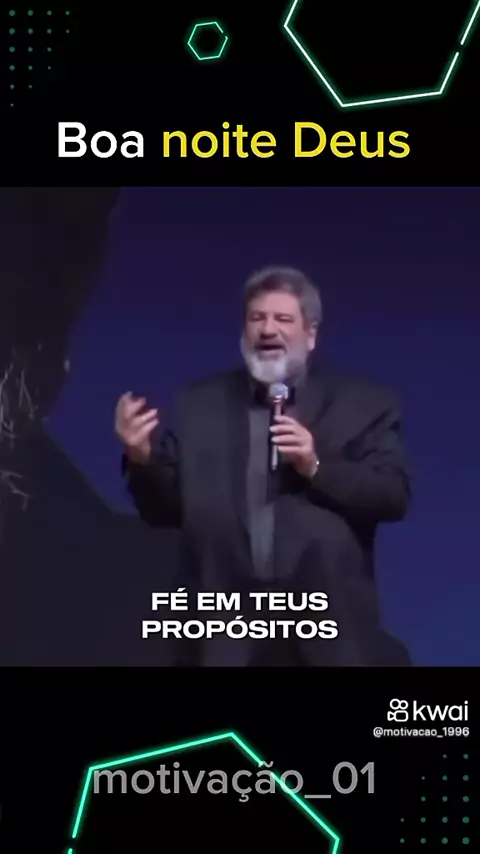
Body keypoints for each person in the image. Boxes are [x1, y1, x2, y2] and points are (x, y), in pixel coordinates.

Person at [115, 266, 412, 666]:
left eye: (283, 319)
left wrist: (314, 465)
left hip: (327, 632)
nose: (268, 329)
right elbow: (164, 511)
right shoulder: (197, 406)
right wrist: (141, 459)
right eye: (257, 318)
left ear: (310, 334)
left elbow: (392, 496)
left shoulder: (364, 405)